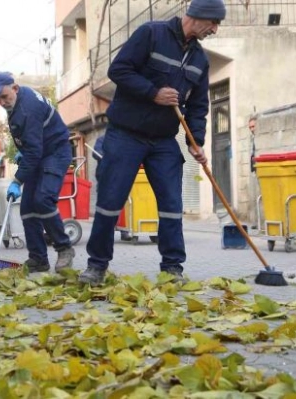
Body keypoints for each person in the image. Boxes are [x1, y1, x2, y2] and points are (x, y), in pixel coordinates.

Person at [78, 0, 225, 285]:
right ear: (198, 17)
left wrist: (197, 141)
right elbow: (118, 71)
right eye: (214, 23)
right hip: (125, 134)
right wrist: (153, 93)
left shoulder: (199, 60)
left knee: (172, 204)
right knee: (110, 201)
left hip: (163, 141)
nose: (215, 30)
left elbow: (197, 106)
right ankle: (96, 266)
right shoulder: (151, 34)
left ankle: (172, 269)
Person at [0, 72, 76, 273]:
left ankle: (64, 249)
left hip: (55, 153)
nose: (2, 102)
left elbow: (35, 151)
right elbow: (32, 145)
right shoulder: (18, 102)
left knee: (43, 199)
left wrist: (17, 180)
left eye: (4, 96)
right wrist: (24, 153)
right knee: (28, 207)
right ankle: (38, 259)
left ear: (15, 88)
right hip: (40, 154)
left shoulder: (27, 109)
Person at [248, 114, 261, 229]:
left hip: (260, 170)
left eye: (253, 126)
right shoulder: (252, 138)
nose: (252, 129)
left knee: (260, 197)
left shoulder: (260, 138)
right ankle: (256, 222)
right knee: (255, 198)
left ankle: (260, 223)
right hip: (254, 170)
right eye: (250, 127)